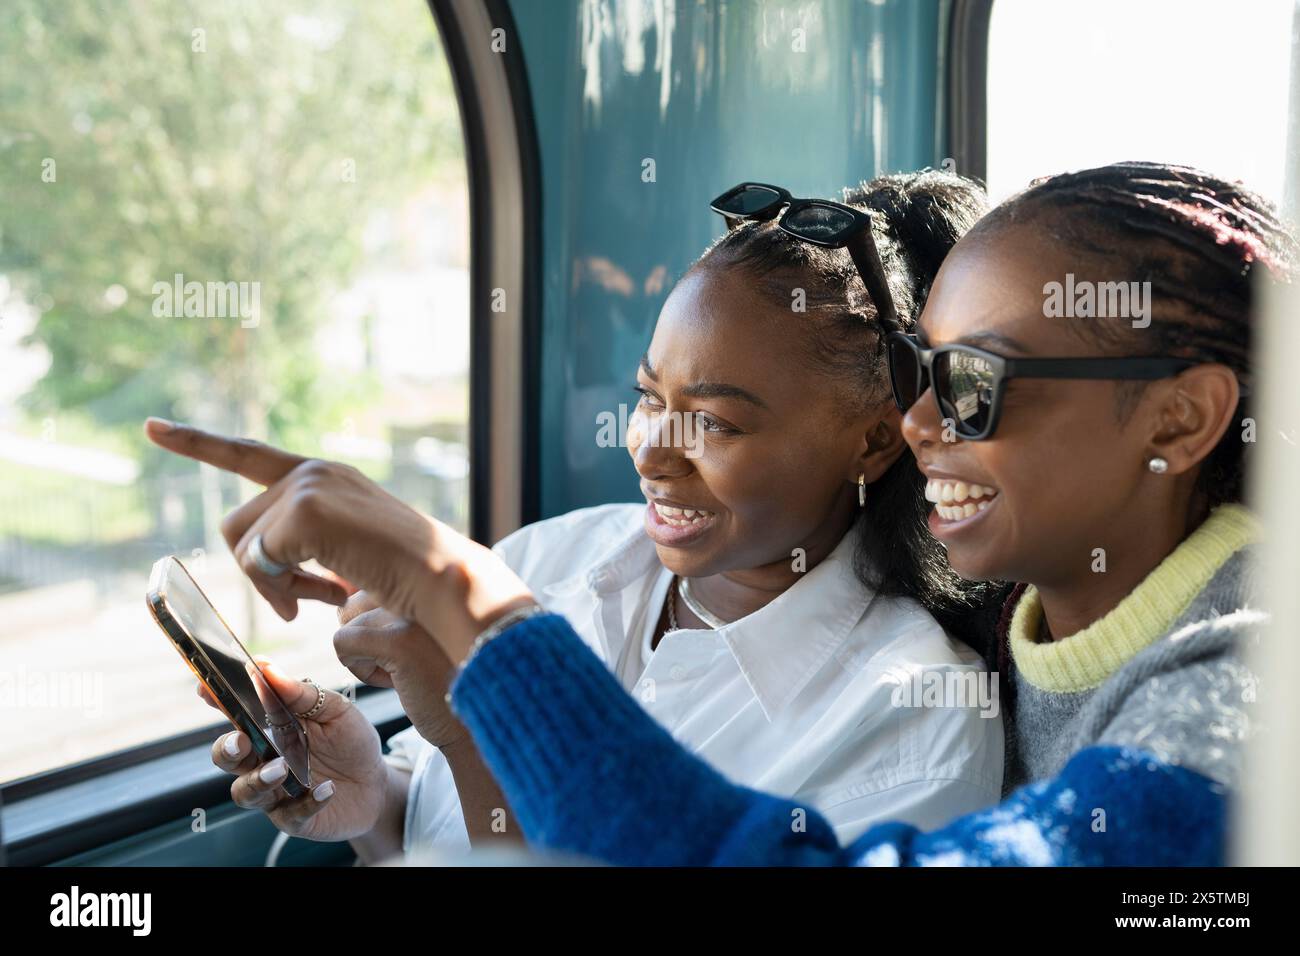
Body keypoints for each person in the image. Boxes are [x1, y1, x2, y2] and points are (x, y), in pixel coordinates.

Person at [148, 160, 1288, 865]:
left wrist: (459, 602)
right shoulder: (1047, 628)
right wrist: (388, 802)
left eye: (970, 386)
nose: (920, 425)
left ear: (1181, 418)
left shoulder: (1240, 706)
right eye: (914, 374)